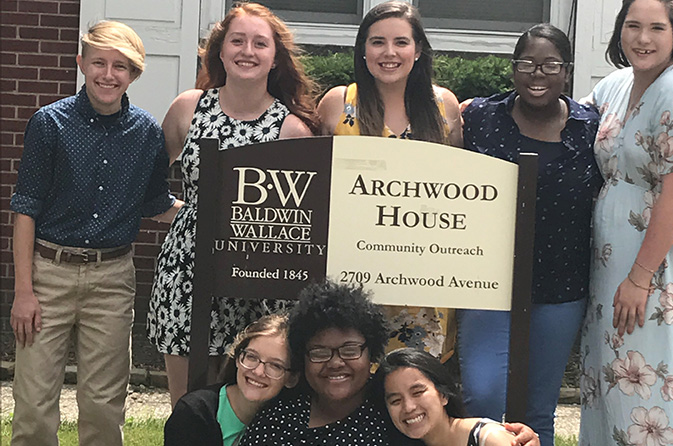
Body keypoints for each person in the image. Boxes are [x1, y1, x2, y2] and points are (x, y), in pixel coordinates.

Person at [9, 21, 182, 446]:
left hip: (112, 279)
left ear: (134, 74)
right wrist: (24, 291)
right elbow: (26, 208)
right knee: (33, 402)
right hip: (49, 271)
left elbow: (156, 203)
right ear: (81, 63)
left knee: (105, 404)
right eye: (100, 63)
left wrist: (209, 213)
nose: (108, 74)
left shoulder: (145, 134)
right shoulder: (49, 124)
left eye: (120, 66)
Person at [146, 2, 317, 408]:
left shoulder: (291, 130)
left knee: (255, 403)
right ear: (220, 51)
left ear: (275, 58)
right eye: (237, 41)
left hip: (257, 277)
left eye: (260, 43)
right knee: (189, 404)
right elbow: (150, 184)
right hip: (186, 272)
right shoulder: (188, 108)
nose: (247, 51)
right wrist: (184, 214)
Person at [578, 0, 673, 444]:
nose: (643, 38)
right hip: (617, 253)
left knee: (647, 376)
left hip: (663, 254)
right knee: (612, 368)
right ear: (619, 31)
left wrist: (640, 278)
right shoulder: (618, 85)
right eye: (633, 26)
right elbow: (570, 115)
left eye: (656, 28)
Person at [459, 24, 600, 446]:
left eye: (550, 65)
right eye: (527, 64)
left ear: (567, 72)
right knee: (480, 396)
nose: (537, 74)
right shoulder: (480, 117)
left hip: (560, 285)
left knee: (539, 408)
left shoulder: (589, 129)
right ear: (513, 69)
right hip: (487, 281)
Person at [316, 0, 462, 359]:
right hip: (351, 265)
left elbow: (458, 185)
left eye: (401, 42)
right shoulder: (337, 103)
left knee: (413, 380)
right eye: (377, 41)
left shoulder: (444, 107)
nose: (389, 52)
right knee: (349, 367)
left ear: (418, 49)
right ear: (362, 49)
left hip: (423, 270)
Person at [237, 281, 538, 446]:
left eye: (350, 350)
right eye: (319, 352)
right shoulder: (281, 412)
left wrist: (498, 435)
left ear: (371, 353)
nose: (335, 362)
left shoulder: (393, 412)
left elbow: (451, 430)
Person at [164, 314, 298, 446]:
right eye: (251, 357)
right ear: (238, 359)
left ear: (292, 378)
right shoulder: (192, 414)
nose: (258, 371)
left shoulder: (298, 421)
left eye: (275, 365)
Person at [379, 348, 540, 446]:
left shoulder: (490, 439)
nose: (409, 407)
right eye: (395, 401)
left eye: (418, 393)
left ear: (443, 394)